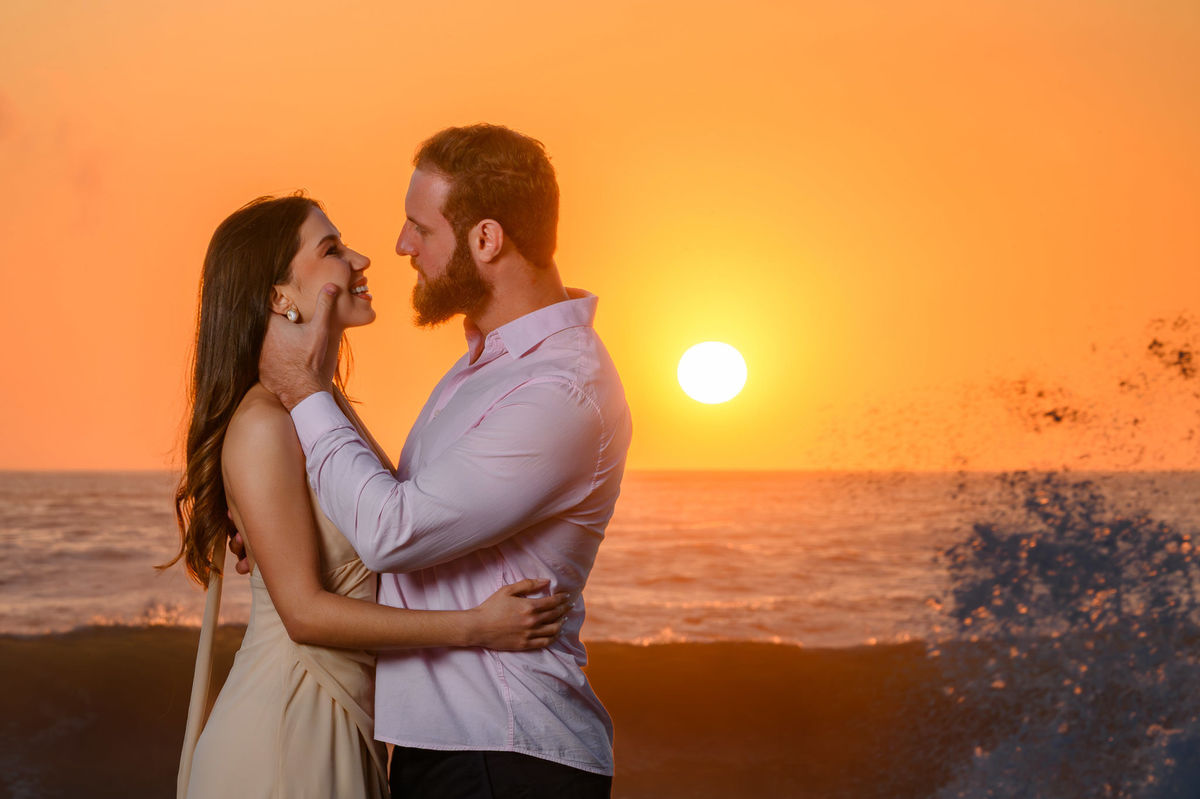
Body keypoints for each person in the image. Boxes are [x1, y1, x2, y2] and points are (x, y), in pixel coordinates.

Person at [254, 124, 632, 798]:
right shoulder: (484, 364)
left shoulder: (558, 391)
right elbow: (399, 505)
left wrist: (305, 390)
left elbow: (394, 531)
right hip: (455, 749)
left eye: (419, 228)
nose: (400, 246)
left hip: (506, 752)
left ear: (486, 239)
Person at [165, 194, 571, 799]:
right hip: (287, 729)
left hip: (341, 721)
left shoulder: (322, 411)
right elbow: (303, 615)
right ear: (279, 296)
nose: (361, 259)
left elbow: (396, 524)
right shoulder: (265, 424)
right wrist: (476, 627)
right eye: (331, 250)